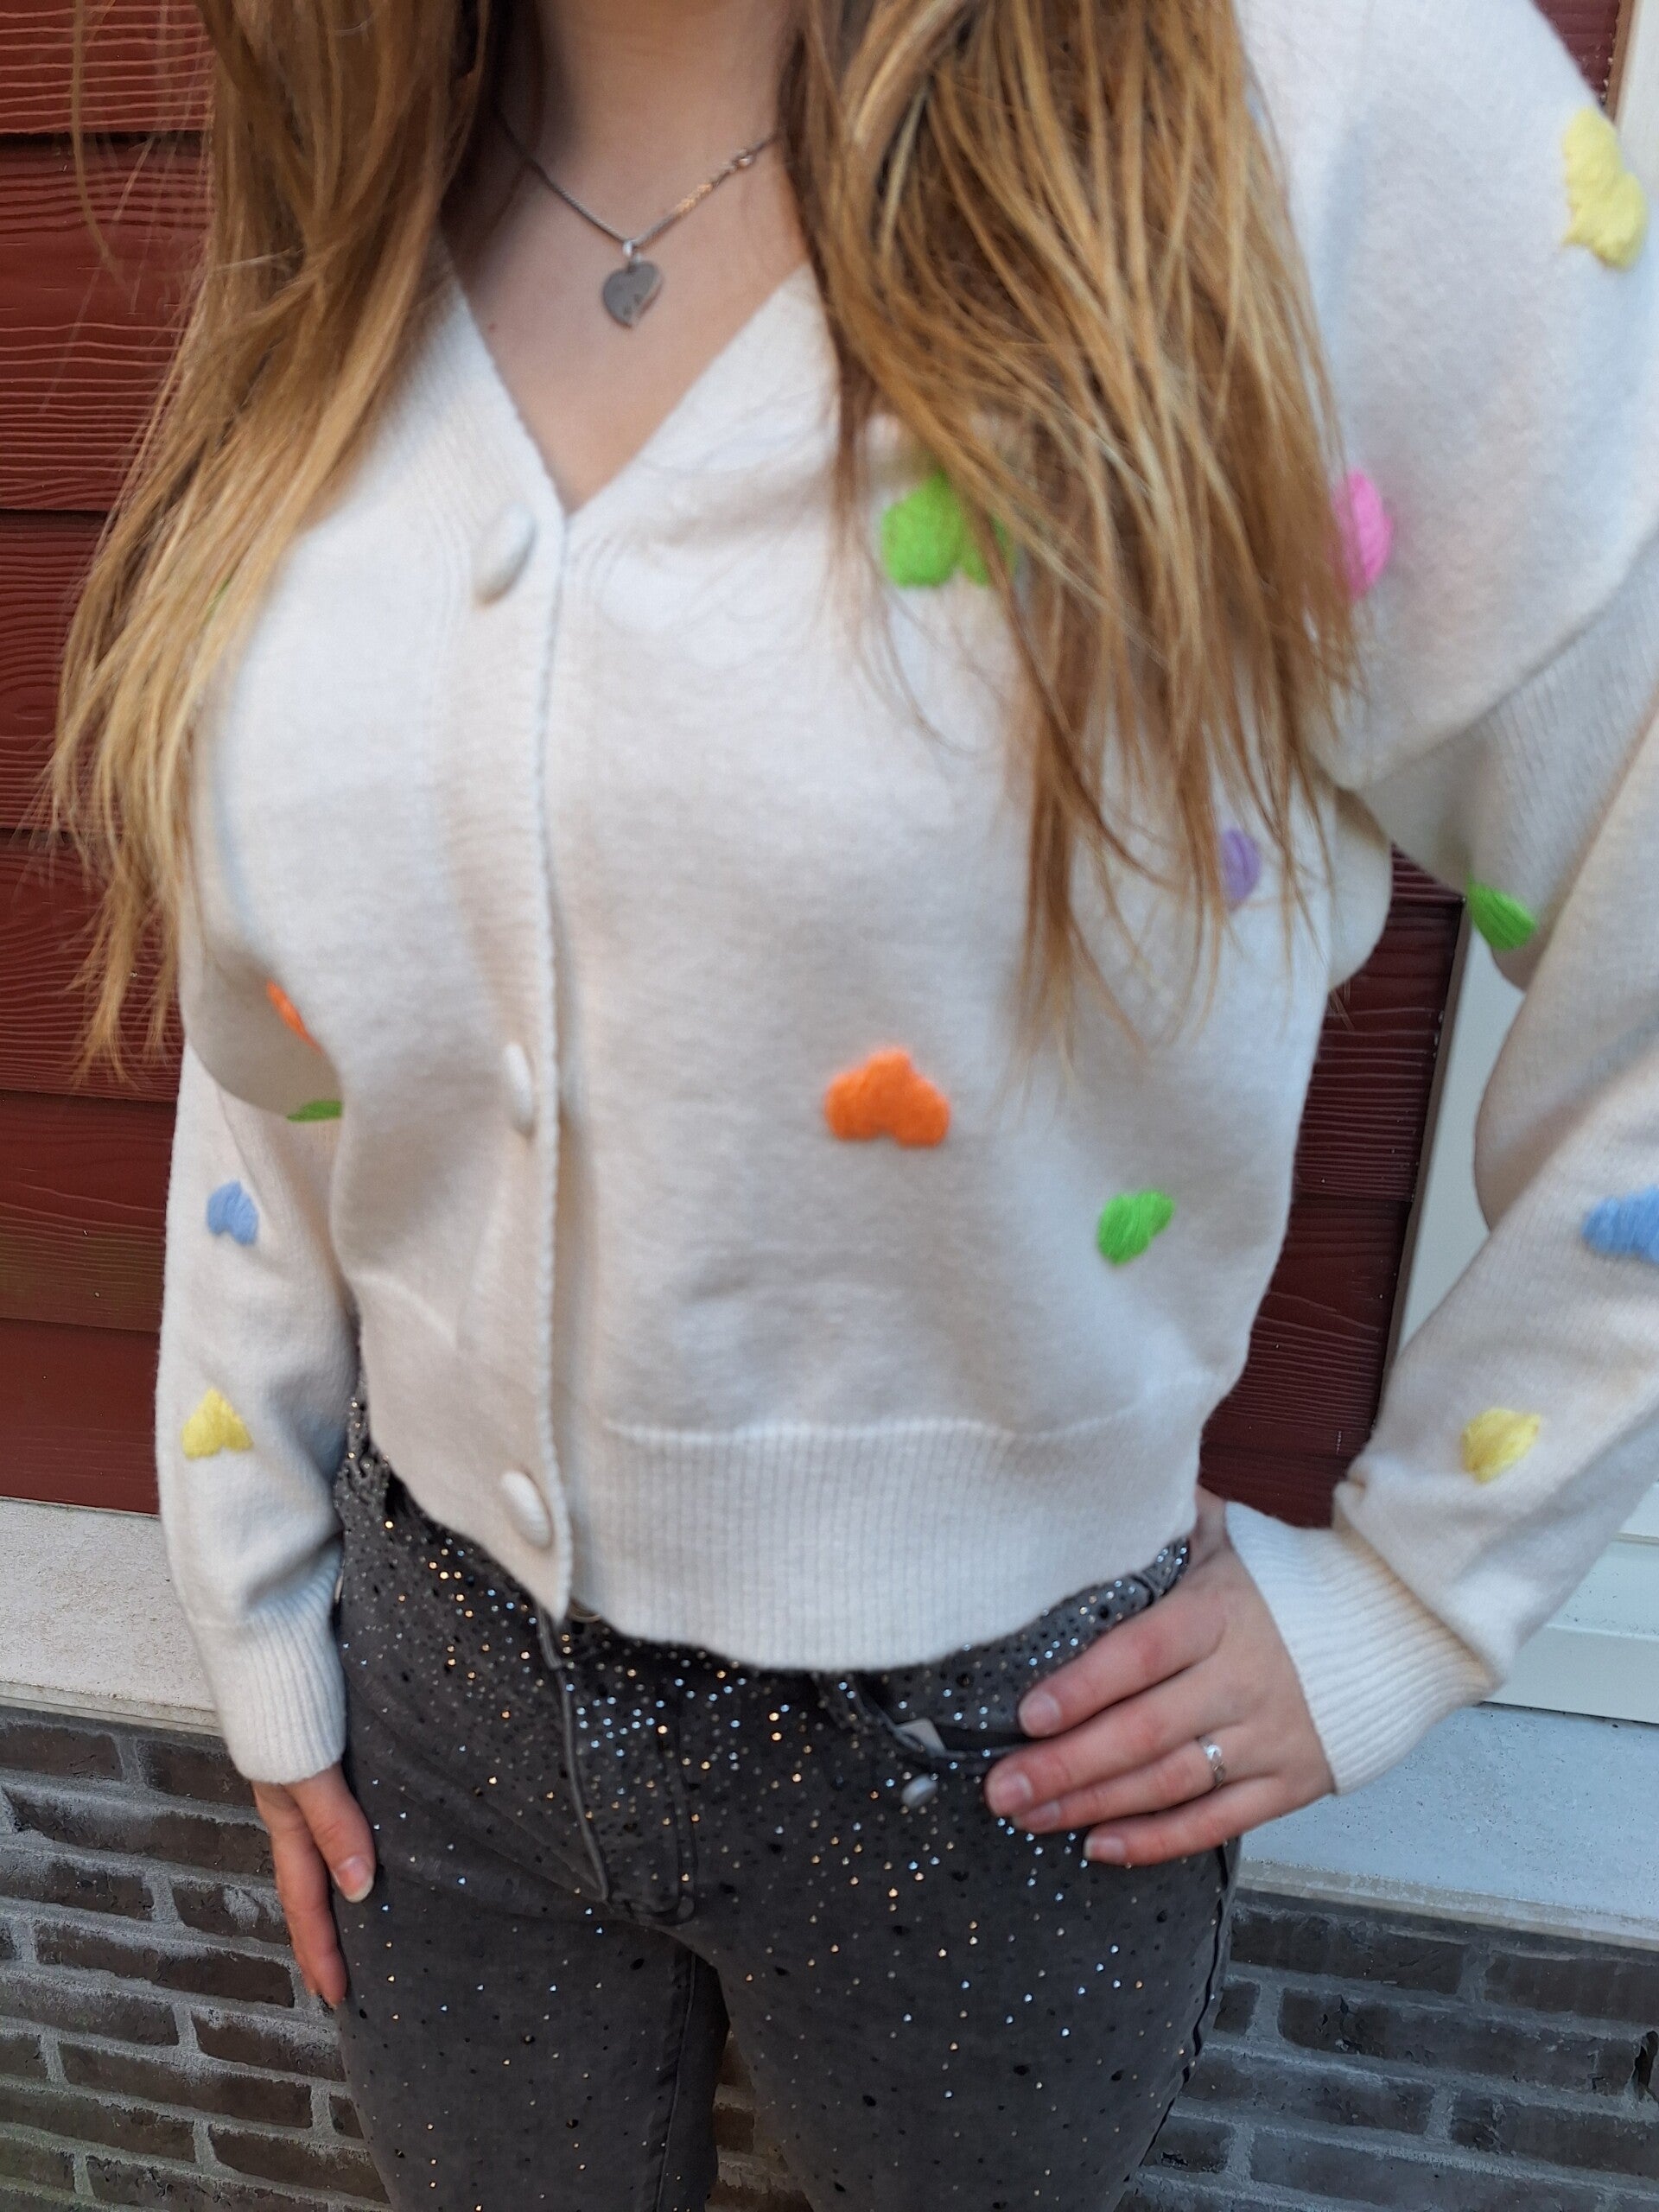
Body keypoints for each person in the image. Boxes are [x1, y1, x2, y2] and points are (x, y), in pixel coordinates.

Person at [53, 0, 1659, 2202]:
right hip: (432, 1683)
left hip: (1009, 1758)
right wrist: (257, 1596)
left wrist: (1423, 1590)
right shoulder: (357, 167)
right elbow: (299, 1032)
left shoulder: (1317, 102)